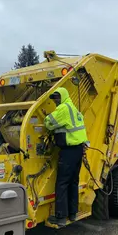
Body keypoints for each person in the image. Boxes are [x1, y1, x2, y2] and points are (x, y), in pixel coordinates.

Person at [44, 87, 88, 227]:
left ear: (62, 96)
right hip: (78, 150)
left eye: (56, 98)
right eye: (54, 98)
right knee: (73, 182)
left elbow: (48, 122)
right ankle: (73, 214)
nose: (55, 101)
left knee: (62, 183)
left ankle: (61, 217)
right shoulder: (73, 108)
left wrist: (46, 116)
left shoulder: (63, 108)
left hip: (68, 151)